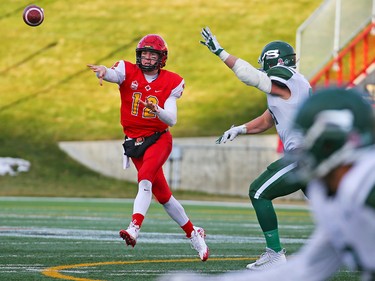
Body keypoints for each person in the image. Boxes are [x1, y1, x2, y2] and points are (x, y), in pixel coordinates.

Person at [158, 87, 375, 281]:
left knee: (259, 191)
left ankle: (274, 252)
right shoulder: (332, 194)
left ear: (333, 142)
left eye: (308, 139)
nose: (304, 149)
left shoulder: (364, 187)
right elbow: (307, 268)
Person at [87, 34, 209, 262]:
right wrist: (104, 70)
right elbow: (115, 74)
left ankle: (134, 227)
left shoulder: (172, 81)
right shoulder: (127, 70)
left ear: (162, 58)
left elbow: (171, 119)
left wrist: (158, 112)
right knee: (163, 196)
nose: (148, 58)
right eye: (144, 53)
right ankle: (194, 233)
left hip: (159, 139)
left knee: (144, 179)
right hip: (135, 143)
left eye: (153, 54)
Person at [200, 27, 312, 270]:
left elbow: (251, 77)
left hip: (303, 155)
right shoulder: (290, 88)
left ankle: (274, 254)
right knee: (335, 204)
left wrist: (221, 53)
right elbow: (267, 119)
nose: (264, 69)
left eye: (266, 64)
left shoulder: (287, 78)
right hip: (311, 155)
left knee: (259, 192)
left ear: (276, 61)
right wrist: (239, 129)